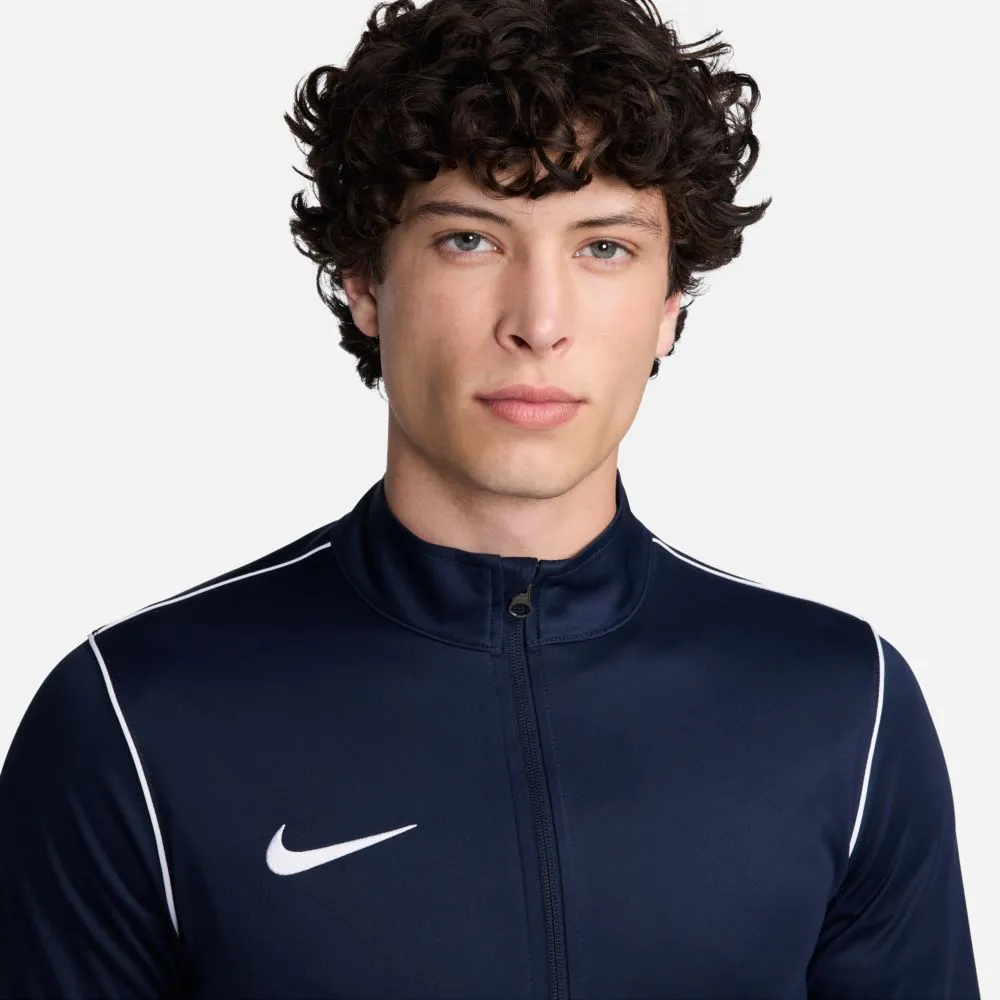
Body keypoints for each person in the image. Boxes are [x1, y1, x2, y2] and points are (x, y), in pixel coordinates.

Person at [0, 0, 980, 995]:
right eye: (470, 239)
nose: (539, 322)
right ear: (363, 282)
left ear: (668, 307)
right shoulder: (134, 720)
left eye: (603, 247)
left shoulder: (843, 708)